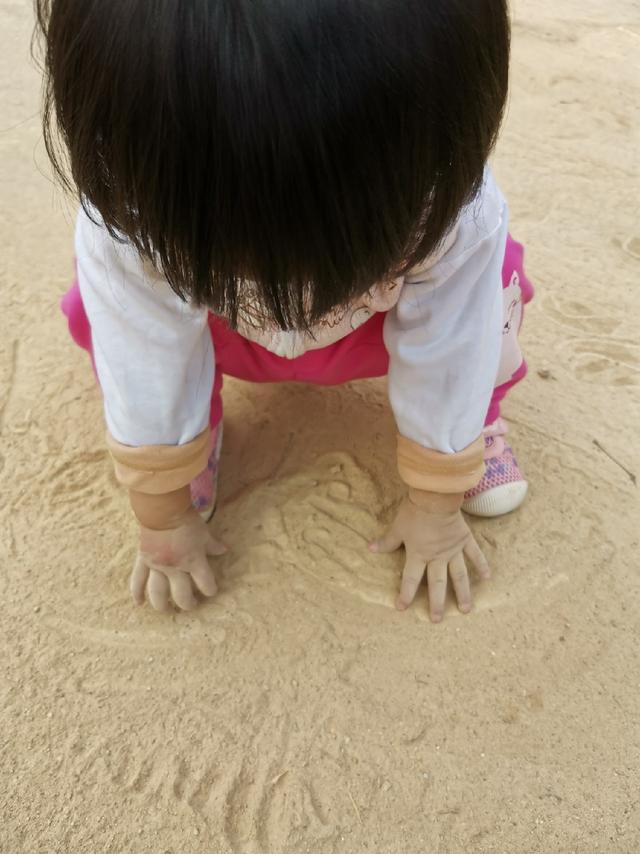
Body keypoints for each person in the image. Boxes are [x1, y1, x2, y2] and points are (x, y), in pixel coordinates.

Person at [36, 0, 533, 621]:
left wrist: (437, 499)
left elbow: (457, 338)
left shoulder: (447, 208)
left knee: (489, 290)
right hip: (226, 332)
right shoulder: (135, 208)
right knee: (103, 307)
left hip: (370, 326)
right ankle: (193, 432)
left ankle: (472, 429)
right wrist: (162, 508)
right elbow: (138, 349)